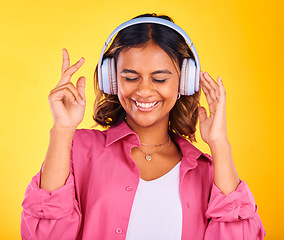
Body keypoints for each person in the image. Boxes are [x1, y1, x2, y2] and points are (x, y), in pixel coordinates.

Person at [21, 13, 265, 240]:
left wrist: (220, 144)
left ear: (184, 82)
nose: (144, 91)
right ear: (112, 79)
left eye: (160, 78)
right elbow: (44, 235)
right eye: (130, 77)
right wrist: (62, 130)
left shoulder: (208, 173)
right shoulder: (78, 150)